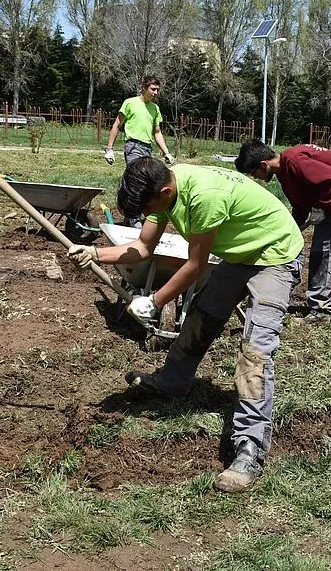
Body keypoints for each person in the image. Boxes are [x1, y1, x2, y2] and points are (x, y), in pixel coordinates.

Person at [66, 157, 303, 493]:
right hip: (239, 254)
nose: (150, 213)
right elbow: (143, 247)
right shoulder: (163, 190)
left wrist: (155, 300)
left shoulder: (204, 197)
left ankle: (250, 449)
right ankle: (173, 381)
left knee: (255, 350)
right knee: (201, 317)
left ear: (165, 191)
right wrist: (95, 252)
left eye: (149, 207)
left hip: (274, 252)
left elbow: (195, 265)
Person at [235, 140, 331, 342]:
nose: (255, 178)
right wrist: (289, 230)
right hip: (329, 207)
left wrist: (319, 208)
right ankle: (320, 312)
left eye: (253, 173)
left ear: (264, 165)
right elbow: (301, 207)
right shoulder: (285, 174)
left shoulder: (294, 160)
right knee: (321, 258)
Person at [104, 76, 175, 227]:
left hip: (147, 149)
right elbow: (117, 125)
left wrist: (166, 152)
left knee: (148, 183)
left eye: (157, 90)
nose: (155, 93)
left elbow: (157, 132)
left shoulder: (155, 108)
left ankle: (136, 214)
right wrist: (109, 149)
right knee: (137, 180)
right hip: (133, 147)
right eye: (153, 89)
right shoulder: (130, 103)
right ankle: (134, 219)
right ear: (144, 87)